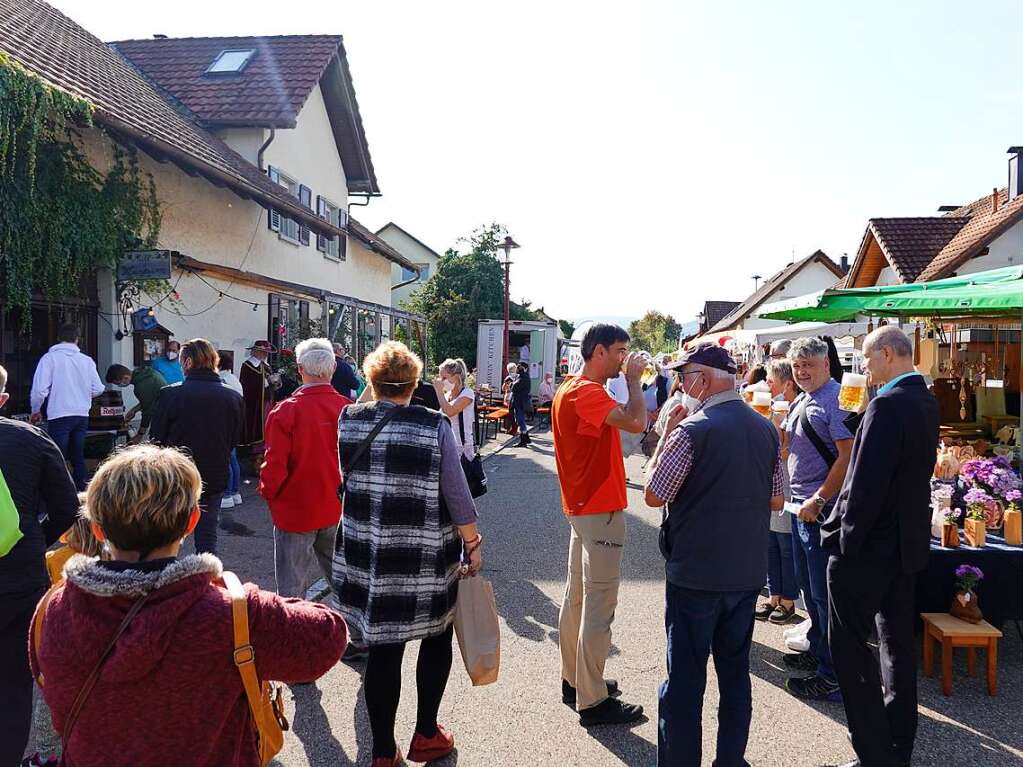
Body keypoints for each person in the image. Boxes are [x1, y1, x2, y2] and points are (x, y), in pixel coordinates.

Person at [29, 444, 347, 766]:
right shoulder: (232, 615)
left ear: (97, 528)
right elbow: (329, 636)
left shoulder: (54, 609)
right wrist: (241, 593)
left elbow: (53, 699)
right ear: (192, 521)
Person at [331, 341, 481, 767]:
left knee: (383, 648)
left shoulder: (348, 419)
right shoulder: (431, 424)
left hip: (370, 553)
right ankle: (427, 734)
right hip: (424, 556)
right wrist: (473, 544)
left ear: (371, 382)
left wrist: (373, 387)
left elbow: (364, 409)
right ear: (416, 385)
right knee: (436, 638)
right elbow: (458, 495)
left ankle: (382, 752)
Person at [645, 343, 784, 767]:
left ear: (703, 380)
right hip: (745, 573)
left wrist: (667, 433)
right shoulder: (765, 429)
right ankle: (730, 761)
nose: (682, 385)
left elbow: (653, 495)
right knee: (735, 674)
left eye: (686, 377)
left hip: (696, 573)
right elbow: (777, 500)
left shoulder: (692, 430)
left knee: (686, 680)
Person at [821, 327, 939, 767]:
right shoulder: (922, 398)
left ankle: (874, 753)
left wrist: (842, 542)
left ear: (887, 355)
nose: (863, 369)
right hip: (904, 544)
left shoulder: (888, 404)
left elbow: (866, 486)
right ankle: (897, 744)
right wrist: (860, 419)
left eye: (867, 360)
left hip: (869, 547)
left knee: (849, 649)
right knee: (895, 648)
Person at [551, 323, 647, 727]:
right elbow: (635, 422)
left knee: (577, 597)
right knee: (599, 603)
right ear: (601, 351)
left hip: (582, 505)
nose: (625, 358)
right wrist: (635, 382)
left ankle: (575, 682)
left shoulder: (572, 388)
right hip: (598, 507)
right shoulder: (587, 391)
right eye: (621, 351)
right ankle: (592, 701)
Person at [0, 364, 79, 766]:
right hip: (18, 578)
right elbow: (68, 510)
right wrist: (31, 540)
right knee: (13, 682)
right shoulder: (31, 439)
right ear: (2, 399)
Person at [781, 336, 854, 702]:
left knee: (824, 595)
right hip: (799, 506)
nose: (803, 372)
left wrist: (820, 497)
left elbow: (847, 455)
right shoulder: (801, 398)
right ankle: (817, 650)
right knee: (810, 589)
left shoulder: (838, 398)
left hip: (821, 509)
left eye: (809, 365)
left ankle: (833, 675)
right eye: (797, 367)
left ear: (827, 364)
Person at [260, 339, 351, 600]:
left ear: (300, 369)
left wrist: (269, 493)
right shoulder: (347, 409)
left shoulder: (285, 411)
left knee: (291, 590)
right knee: (344, 582)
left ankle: (292, 638)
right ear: (333, 368)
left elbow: (275, 465)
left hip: (295, 508)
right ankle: (356, 636)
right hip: (337, 506)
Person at [150, 339, 243, 555]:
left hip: (175, 474)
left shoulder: (170, 394)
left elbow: (156, 440)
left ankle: (167, 581)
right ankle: (206, 579)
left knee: (168, 534)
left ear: (188, 362)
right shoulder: (233, 397)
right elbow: (233, 440)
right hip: (214, 472)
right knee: (207, 534)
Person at [29, 323, 105, 490]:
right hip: (81, 414)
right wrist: (82, 394)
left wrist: (36, 410)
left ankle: (60, 490)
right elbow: (99, 388)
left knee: (58, 455)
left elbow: (39, 390)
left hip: (60, 413)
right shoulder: (86, 360)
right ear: (77, 339)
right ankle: (83, 490)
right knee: (78, 454)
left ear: (58, 338)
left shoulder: (49, 359)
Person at [756, 358, 800, 624]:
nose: (767, 386)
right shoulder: (770, 410)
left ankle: (789, 600)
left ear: (787, 384)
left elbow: (787, 452)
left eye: (771, 382)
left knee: (785, 545)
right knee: (771, 543)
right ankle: (774, 596)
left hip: (789, 484)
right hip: (772, 483)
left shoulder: (794, 410)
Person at [106, 363, 168, 445]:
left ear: (125, 377)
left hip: (165, 415)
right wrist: (134, 410)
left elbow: (148, 411)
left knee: (158, 444)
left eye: (118, 383)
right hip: (166, 410)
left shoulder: (141, 386)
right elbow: (152, 398)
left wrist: (140, 435)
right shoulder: (144, 372)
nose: (119, 386)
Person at [433, 358, 476, 459]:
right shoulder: (447, 395)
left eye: (444, 378)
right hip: (447, 444)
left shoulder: (467, 393)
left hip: (462, 447)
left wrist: (439, 392)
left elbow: (450, 411)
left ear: (456, 377)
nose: (441, 381)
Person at [239, 340, 280, 447]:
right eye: (263, 352)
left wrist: (275, 381)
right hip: (255, 401)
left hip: (267, 400)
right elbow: (247, 385)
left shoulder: (266, 365)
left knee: (267, 421)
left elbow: (271, 382)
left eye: (266, 352)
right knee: (256, 422)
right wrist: (265, 382)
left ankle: (266, 442)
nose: (265, 355)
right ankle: (256, 446)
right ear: (255, 352)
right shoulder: (248, 365)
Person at [217, 352, 245, 509]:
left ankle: (227, 492)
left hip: (225, 423)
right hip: (235, 422)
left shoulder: (223, 380)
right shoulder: (233, 379)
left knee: (226, 459)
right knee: (233, 459)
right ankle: (234, 491)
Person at [511, 361, 532, 446]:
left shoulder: (524, 378)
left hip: (520, 403)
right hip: (519, 402)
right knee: (520, 420)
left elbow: (514, 387)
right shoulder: (522, 377)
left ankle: (524, 440)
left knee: (520, 420)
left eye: (519, 368)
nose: (517, 369)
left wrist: (512, 384)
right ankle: (526, 438)